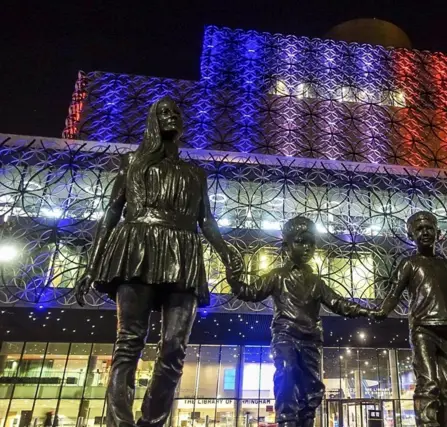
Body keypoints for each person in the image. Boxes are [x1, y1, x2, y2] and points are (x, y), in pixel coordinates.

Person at [74, 96, 242, 427]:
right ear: (153, 119)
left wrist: (226, 251)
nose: (172, 117)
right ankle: (119, 421)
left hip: (183, 252)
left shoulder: (195, 172)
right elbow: (110, 213)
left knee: (174, 347)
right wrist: (92, 263)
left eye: (177, 113)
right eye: (164, 112)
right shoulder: (132, 162)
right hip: (137, 246)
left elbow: (206, 220)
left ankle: (152, 420)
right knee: (129, 342)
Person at [226, 216, 378, 427]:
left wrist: (365, 311)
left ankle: (306, 419)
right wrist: (233, 278)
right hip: (285, 334)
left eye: (311, 243)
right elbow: (250, 292)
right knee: (286, 370)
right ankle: (286, 419)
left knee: (312, 387)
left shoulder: (317, 282)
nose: (307, 248)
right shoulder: (277, 276)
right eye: (300, 241)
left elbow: (338, 303)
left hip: (310, 340)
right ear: (287, 246)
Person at [373, 211, 447, 427]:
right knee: (428, 383)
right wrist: (381, 311)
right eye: (419, 229)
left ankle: (444, 423)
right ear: (411, 235)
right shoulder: (408, 263)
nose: (425, 233)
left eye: (429, 228)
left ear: (438, 233)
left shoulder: (446, 266)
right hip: (423, 329)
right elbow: (394, 293)